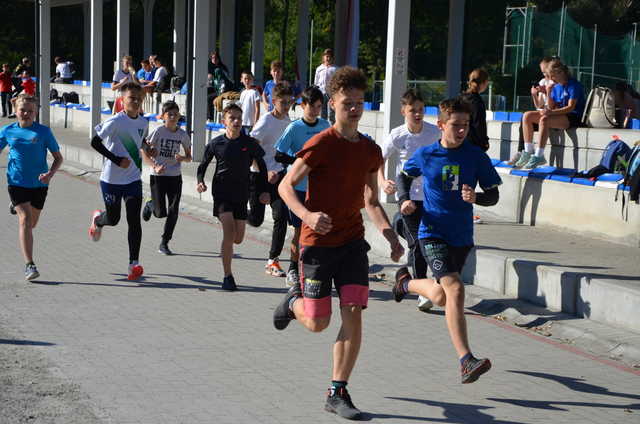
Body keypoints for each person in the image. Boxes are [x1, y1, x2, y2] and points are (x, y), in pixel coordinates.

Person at [272, 66, 404, 420]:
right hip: (316, 243)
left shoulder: (369, 151)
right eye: (348, 102)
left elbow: (371, 201)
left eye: (360, 102)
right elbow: (285, 186)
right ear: (333, 104)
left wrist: (390, 235)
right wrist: (307, 215)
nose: (355, 109)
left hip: (351, 242)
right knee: (317, 322)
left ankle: (337, 391)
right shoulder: (320, 143)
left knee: (354, 314)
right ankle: (293, 301)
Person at [393, 97, 502, 385]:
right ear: (441, 125)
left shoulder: (476, 156)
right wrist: (404, 200)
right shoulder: (427, 154)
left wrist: (476, 197)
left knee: (441, 296)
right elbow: (404, 176)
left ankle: (404, 283)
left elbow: (493, 194)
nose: (462, 130)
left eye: (465, 125)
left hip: (461, 236)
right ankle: (466, 359)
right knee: (455, 290)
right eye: (456, 125)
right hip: (432, 231)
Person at [378, 88, 440, 312]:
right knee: (418, 242)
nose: (417, 114)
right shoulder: (398, 134)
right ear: (404, 111)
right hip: (408, 197)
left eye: (421, 110)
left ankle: (398, 224)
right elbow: (378, 159)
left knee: (432, 240)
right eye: (413, 110)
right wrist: (383, 182)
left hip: (432, 197)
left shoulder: (434, 133)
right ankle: (423, 289)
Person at [196, 104, 270, 291]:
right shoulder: (216, 143)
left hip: (241, 194)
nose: (236, 121)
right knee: (229, 234)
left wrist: (264, 190)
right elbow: (202, 165)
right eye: (232, 118)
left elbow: (262, 167)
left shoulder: (249, 143)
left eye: (239, 118)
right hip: (221, 193)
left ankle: (228, 257)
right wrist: (200, 181)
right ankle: (227, 276)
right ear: (224, 121)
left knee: (238, 239)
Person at [88, 82, 149, 281]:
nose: (136, 101)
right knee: (113, 219)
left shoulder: (143, 122)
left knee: (134, 221)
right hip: (111, 180)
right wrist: (115, 159)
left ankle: (134, 264)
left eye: (139, 98)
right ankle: (98, 220)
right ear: (122, 100)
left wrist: (148, 149)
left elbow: (140, 141)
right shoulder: (115, 121)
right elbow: (94, 141)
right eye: (132, 98)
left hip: (133, 179)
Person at [0, 94, 63, 280]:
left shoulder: (43, 132)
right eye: (22, 110)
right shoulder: (7, 131)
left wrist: (50, 174)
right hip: (16, 182)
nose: (26, 113)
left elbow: (58, 158)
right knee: (25, 220)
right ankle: (30, 265)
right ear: (15, 111)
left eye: (30, 111)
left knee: (32, 223)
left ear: (35, 113)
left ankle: (16, 207)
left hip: (40, 184)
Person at [273, 86, 330, 287]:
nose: (315, 111)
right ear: (302, 106)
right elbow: (278, 154)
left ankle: (318, 270)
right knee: (299, 231)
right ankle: (293, 269)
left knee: (321, 230)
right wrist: (300, 161)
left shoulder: (325, 125)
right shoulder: (294, 128)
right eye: (311, 107)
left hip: (320, 188)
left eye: (318, 107)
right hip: (298, 188)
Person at [250, 82, 293, 278]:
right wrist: (264, 173)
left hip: (279, 175)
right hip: (259, 174)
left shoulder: (289, 121)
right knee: (256, 220)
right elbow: (252, 150)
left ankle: (272, 260)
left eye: (289, 102)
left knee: (281, 216)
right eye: (282, 103)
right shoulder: (265, 122)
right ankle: (240, 212)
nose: (286, 106)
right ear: (273, 101)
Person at [141, 101, 192, 255]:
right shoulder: (158, 131)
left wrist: (182, 158)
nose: (173, 117)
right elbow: (144, 150)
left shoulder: (182, 134)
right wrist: (154, 163)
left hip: (175, 176)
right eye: (169, 114)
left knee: (174, 210)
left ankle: (164, 242)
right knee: (160, 213)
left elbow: (190, 157)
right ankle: (150, 205)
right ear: (163, 116)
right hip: (158, 176)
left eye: (175, 114)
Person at [516, 59, 586, 169]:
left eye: (552, 76)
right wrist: (548, 92)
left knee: (544, 120)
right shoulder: (556, 86)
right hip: (558, 114)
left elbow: (570, 107)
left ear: (561, 72)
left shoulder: (574, 85)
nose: (551, 79)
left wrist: (551, 112)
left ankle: (539, 155)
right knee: (527, 115)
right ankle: (528, 151)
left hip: (572, 116)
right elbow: (550, 106)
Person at [509, 57, 555, 166]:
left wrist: (547, 92)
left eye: (546, 72)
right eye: (543, 72)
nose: (545, 75)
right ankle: (526, 151)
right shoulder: (543, 81)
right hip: (542, 112)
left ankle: (534, 154)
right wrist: (534, 94)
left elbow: (552, 106)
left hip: (550, 114)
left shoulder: (554, 83)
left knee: (530, 117)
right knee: (525, 117)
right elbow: (539, 105)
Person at [461, 68, 490, 225]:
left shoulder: (462, 98)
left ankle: (461, 210)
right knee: (469, 182)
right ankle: (466, 212)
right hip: (472, 146)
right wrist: (484, 142)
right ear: (484, 83)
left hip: (460, 144)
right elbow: (479, 125)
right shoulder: (477, 101)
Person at [313, 48, 338, 123]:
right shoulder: (319, 68)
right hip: (321, 93)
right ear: (323, 57)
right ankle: (323, 129)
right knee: (322, 113)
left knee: (331, 113)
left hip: (331, 94)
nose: (328, 58)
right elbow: (316, 82)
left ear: (332, 58)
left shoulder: (335, 68)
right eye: (326, 56)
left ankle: (331, 129)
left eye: (330, 56)